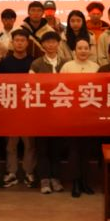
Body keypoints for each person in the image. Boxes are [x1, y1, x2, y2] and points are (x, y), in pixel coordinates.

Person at [0, 30, 36, 188]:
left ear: (27, 43)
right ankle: (11, 172)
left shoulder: (33, 62)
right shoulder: (5, 62)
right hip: (10, 108)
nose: (19, 43)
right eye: (17, 40)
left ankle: (29, 172)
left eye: (22, 40)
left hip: (28, 108)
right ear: (12, 43)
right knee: (11, 144)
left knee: (29, 143)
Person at [60, 37, 98, 197]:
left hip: (89, 115)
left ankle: (85, 182)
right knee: (74, 150)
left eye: (86, 48)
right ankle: (75, 182)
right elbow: (60, 88)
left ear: (90, 50)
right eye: (80, 48)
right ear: (74, 50)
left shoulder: (96, 67)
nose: (83, 51)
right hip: (72, 115)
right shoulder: (67, 67)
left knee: (86, 150)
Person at [29, 31, 65, 195]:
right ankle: (44, 179)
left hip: (60, 112)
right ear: (42, 45)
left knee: (56, 148)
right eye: (47, 42)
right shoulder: (36, 64)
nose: (51, 45)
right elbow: (30, 85)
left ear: (58, 44)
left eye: (53, 42)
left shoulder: (65, 63)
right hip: (41, 112)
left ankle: (55, 178)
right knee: (42, 147)